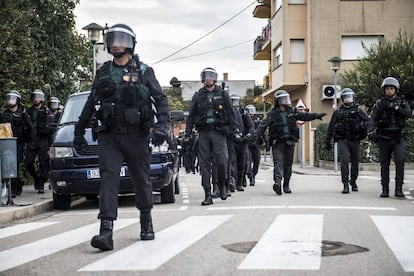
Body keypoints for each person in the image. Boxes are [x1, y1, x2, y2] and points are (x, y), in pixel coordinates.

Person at [74, 23, 169, 251]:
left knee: (141, 180)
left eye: (121, 40)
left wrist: (161, 127)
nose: (116, 44)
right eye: (112, 40)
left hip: (136, 136)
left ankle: (146, 221)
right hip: (110, 137)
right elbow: (90, 102)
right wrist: (79, 130)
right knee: (109, 179)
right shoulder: (104, 71)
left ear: (130, 44)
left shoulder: (144, 71)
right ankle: (105, 232)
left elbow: (161, 100)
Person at [255, 90, 326, 195]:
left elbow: (304, 116)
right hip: (277, 143)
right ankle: (277, 183)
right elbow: (262, 127)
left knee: (288, 164)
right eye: (283, 99)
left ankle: (286, 185)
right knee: (278, 163)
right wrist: (255, 137)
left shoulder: (292, 111)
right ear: (277, 101)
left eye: (286, 98)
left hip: (289, 142)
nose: (285, 101)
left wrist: (316, 116)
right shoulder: (271, 114)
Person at [185, 67, 238, 205]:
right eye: (206, 76)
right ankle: (207, 194)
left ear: (214, 78)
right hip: (204, 133)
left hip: (219, 132)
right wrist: (188, 133)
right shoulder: (198, 95)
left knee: (222, 161)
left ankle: (222, 186)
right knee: (204, 164)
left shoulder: (223, 94)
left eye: (210, 76)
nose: (208, 79)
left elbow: (231, 113)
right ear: (203, 79)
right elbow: (191, 116)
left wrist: (233, 129)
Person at [367, 77, 411, 198]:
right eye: (387, 88)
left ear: (395, 90)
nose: (389, 91)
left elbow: (409, 114)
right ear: (384, 90)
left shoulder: (402, 102)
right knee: (384, 164)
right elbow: (372, 119)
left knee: (400, 161)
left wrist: (396, 108)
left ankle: (398, 189)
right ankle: (385, 189)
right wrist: (370, 131)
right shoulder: (379, 103)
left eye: (392, 88)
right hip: (384, 136)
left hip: (398, 137)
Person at [325, 88, 371, 194]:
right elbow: (331, 127)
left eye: (350, 97)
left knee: (355, 161)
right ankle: (345, 184)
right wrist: (328, 140)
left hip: (355, 140)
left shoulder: (358, 110)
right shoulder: (338, 112)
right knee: (344, 161)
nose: (348, 99)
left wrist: (363, 126)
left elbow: (368, 122)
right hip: (342, 140)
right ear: (342, 99)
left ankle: (353, 181)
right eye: (346, 97)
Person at [0, 90, 33, 197]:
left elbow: (31, 128)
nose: (10, 101)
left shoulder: (23, 113)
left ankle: (16, 185)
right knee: (7, 165)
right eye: (9, 98)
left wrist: (31, 143)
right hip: (6, 144)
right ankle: (13, 187)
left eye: (13, 99)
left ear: (18, 101)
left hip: (18, 143)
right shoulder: (4, 113)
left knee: (15, 164)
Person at [25, 89, 53, 194]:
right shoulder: (28, 112)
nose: (36, 99)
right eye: (34, 97)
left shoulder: (46, 111)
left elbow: (50, 127)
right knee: (28, 163)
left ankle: (41, 184)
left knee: (43, 163)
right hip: (32, 139)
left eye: (38, 97)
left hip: (43, 140)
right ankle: (36, 178)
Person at [245, 104, 262, 186]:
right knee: (247, 161)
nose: (252, 113)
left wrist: (265, 141)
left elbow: (262, 130)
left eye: (253, 111)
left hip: (256, 143)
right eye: (250, 111)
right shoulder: (244, 118)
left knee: (257, 160)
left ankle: (253, 174)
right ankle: (250, 177)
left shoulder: (257, 119)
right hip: (247, 143)